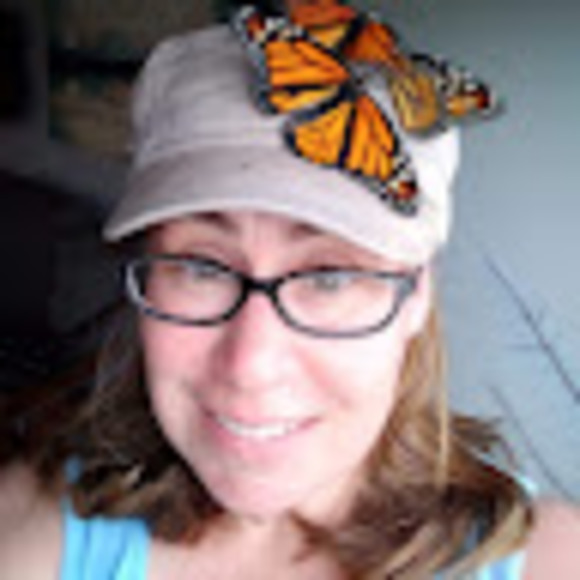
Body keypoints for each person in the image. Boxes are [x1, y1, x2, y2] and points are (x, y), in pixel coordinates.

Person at [1, 5, 579, 579]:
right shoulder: (32, 522)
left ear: (416, 296)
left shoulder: (552, 560)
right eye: (202, 267)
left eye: (329, 277)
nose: (251, 367)